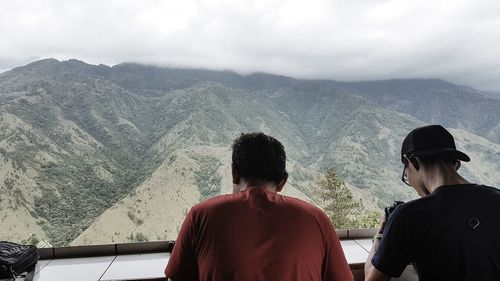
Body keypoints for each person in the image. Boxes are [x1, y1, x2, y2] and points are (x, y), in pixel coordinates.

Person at [165, 132, 353, 281]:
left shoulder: (202, 215)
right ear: (282, 181)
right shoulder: (316, 219)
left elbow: (177, 277)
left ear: (234, 173)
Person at [364, 125, 500, 281]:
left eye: (406, 176)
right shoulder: (496, 197)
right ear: (456, 164)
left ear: (412, 161)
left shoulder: (408, 216)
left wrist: (380, 235)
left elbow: (372, 279)